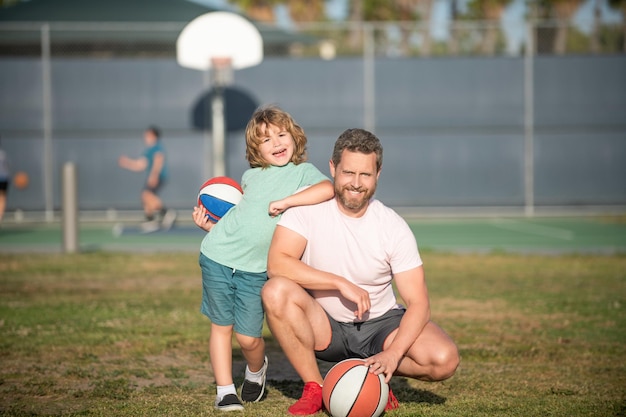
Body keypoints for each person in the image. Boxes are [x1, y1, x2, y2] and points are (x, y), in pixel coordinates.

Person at [262, 128, 460, 416]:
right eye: (348, 173)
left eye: (365, 175)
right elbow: (277, 264)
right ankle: (315, 387)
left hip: (380, 326)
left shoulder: (392, 226)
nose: (355, 183)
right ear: (333, 168)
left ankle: (375, 378)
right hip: (325, 325)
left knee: (444, 359)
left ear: (378, 174)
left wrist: (392, 355)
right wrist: (339, 283)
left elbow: (419, 303)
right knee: (275, 291)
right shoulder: (306, 210)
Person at [191, 106, 334, 411]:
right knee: (221, 326)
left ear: (294, 137)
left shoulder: (303, 173)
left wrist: (287, 202)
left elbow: (328, 189)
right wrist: (211, 228)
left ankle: (256, 370)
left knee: (248, 339)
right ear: (255, 150)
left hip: (255, 271)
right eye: (266, 140)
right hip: (216, 254)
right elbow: (245, 220)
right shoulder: (250, 176)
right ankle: (225, 390)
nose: (276, 143)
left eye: (282, 135)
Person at [118, 126, 176, 232]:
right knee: (145, 197)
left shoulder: (157, 147)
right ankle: (150, 219)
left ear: (153, 136)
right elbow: (140, 165)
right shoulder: (148, 150)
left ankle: (166, 213)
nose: (145, 137)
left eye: (147, 135)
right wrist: (127, 163)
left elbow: (158, 161)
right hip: (153, 176)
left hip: (158, 176)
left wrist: (154, 176)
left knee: (146, 195)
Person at [0, 136, 9, 224]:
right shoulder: (2, 154)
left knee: (2, 197)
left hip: (3, 178)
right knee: (2, 198)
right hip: (4, 178)